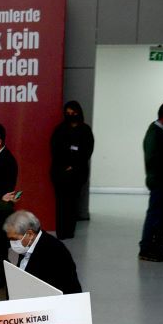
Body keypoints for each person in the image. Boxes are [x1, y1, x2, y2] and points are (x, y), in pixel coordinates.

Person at [137, 100, 163, 261]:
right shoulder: (154, 133)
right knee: (154, 216)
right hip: (159, 183)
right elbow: (152, 160)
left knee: (160, 217)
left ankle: (157, 247)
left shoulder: (162, 132)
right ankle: (146, 249)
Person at [2, 210, 81, 294]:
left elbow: (45, 289)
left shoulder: (53, 252)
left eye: (14, 239)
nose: (12, 243)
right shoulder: (27, 245)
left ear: (30, 234)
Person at [47, 100, 93, 238]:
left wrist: (73, 165)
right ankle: (61, 232)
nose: (70, 115)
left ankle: (70, 231)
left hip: (77, 173)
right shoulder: (60, 130)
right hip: (60, 172)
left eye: (73, 112)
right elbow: (54, 149)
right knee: (61, 203)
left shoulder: (85, 130)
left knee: (73, 203)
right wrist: (64, 165)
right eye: (67, 113)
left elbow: (87, 151)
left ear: (79, 113)